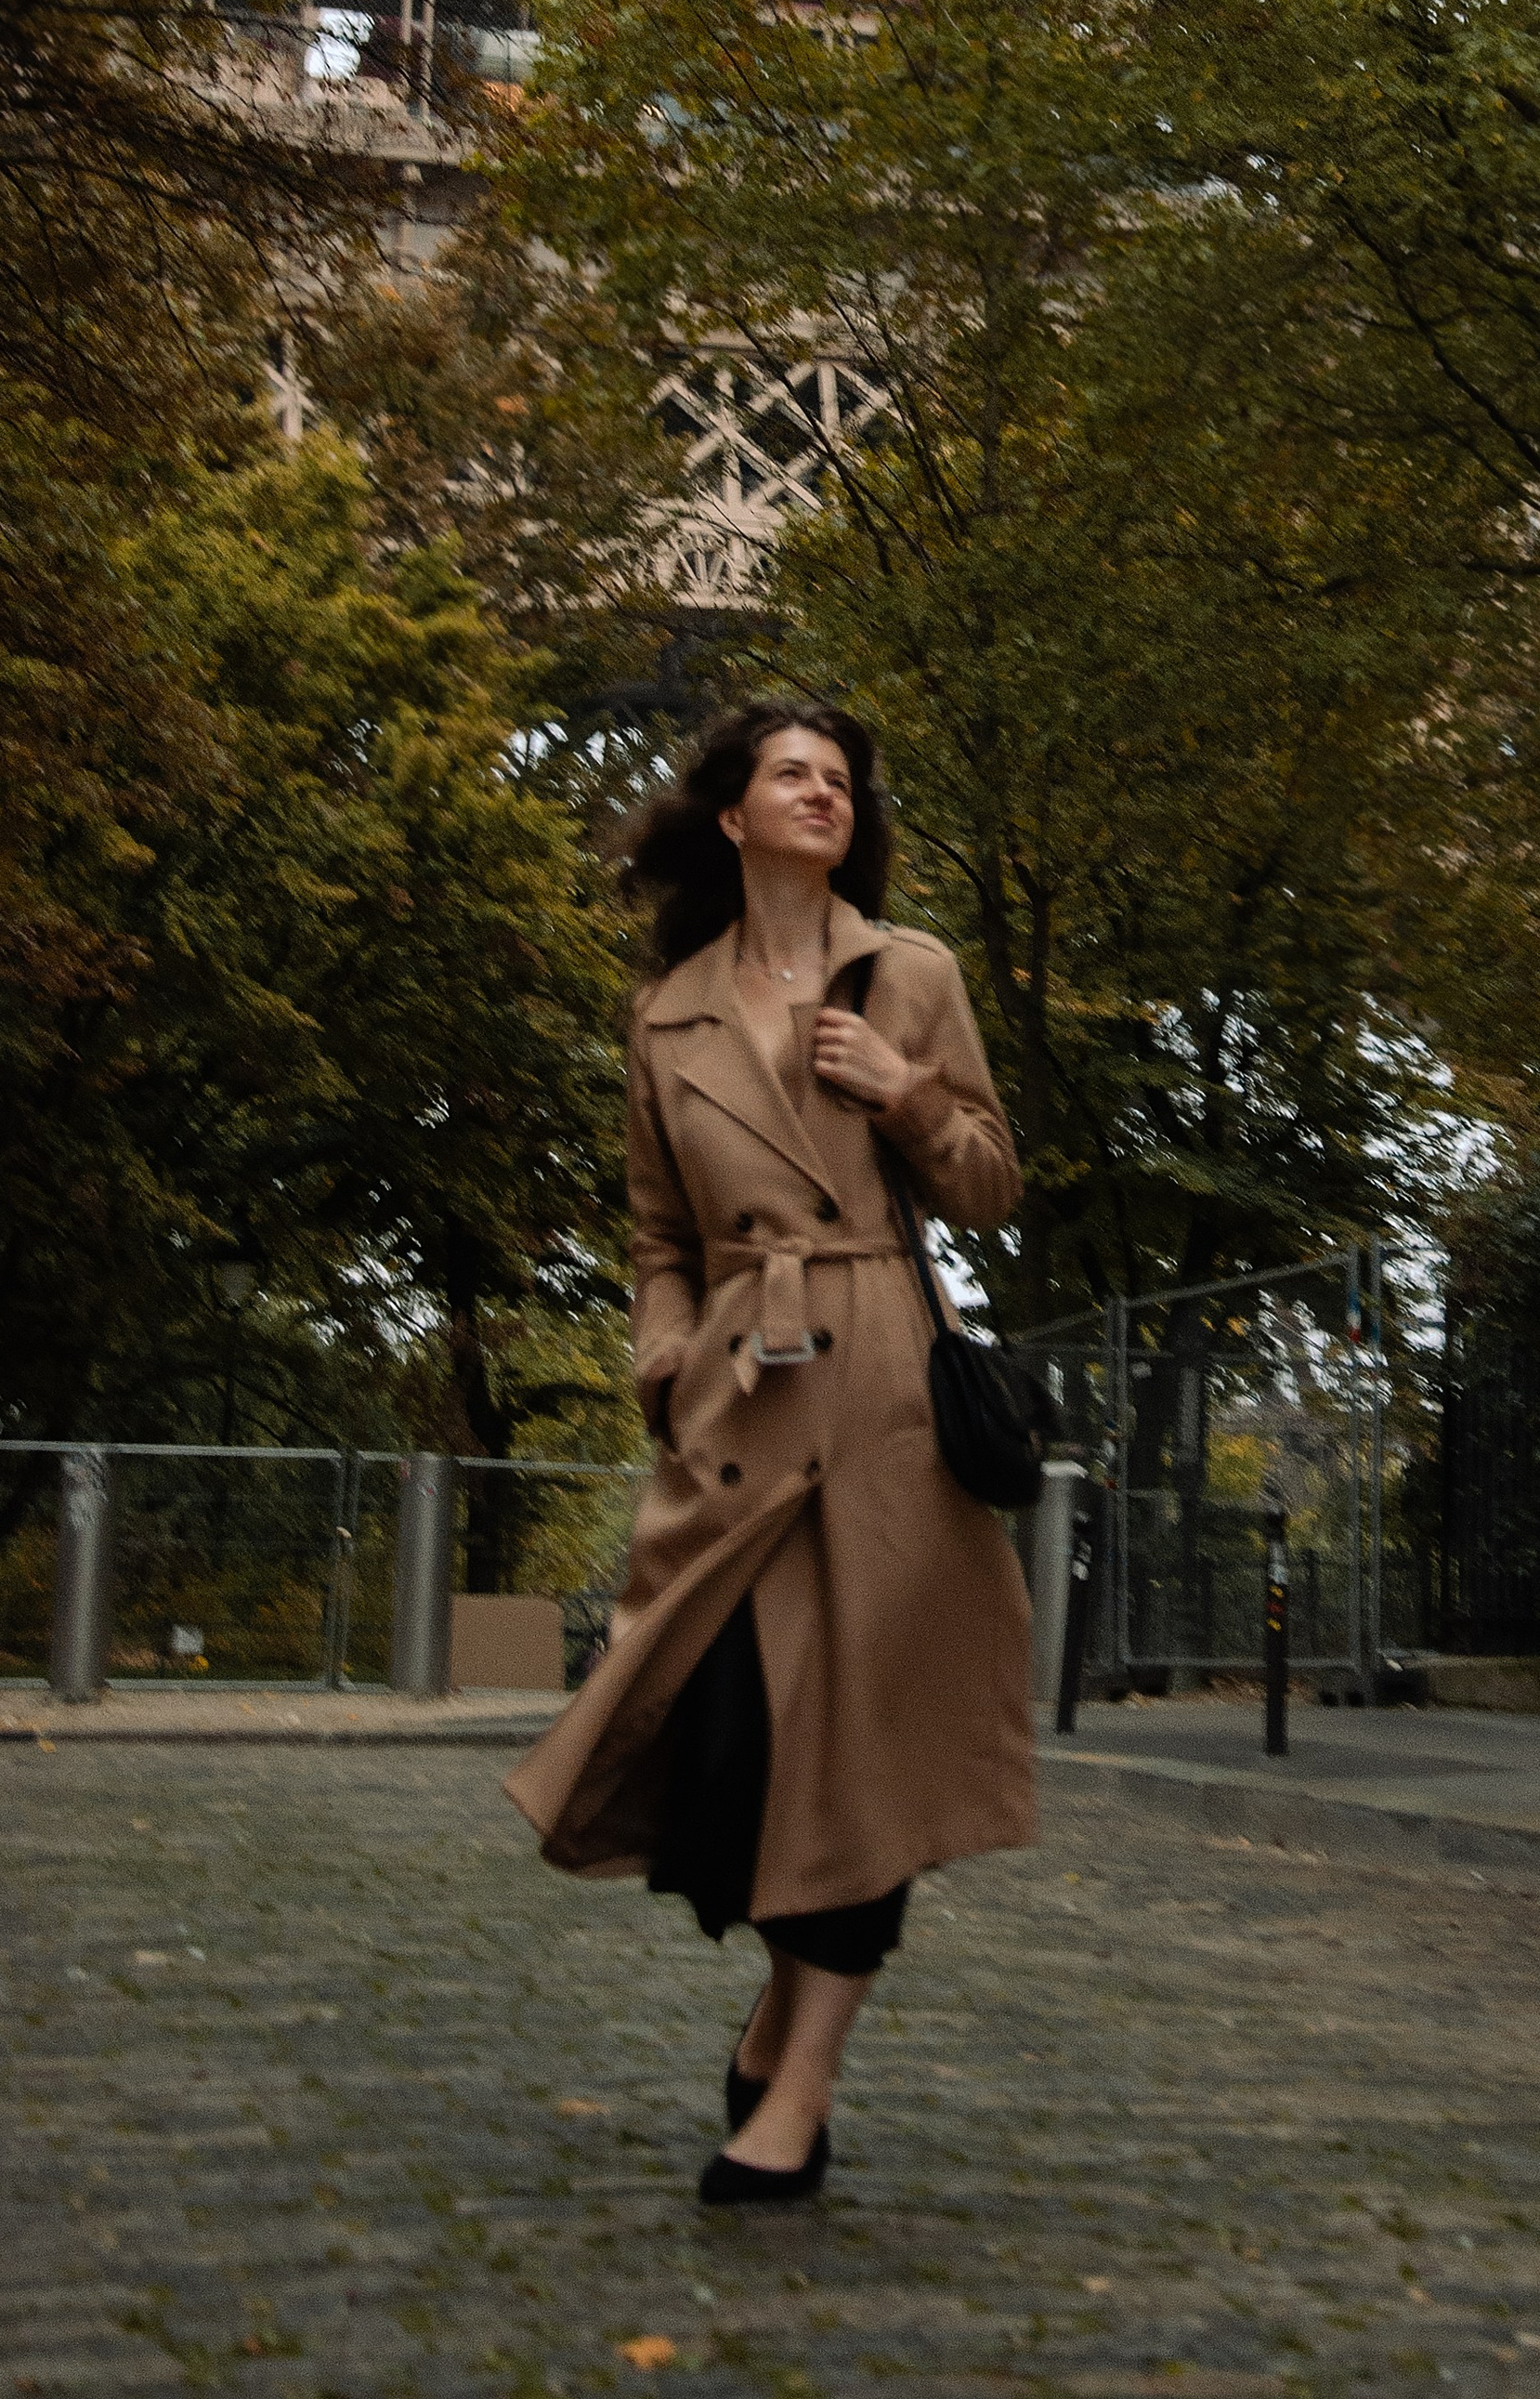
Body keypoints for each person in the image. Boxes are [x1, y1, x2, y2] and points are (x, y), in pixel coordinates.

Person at [504, 702, 1037, 2204]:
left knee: (866, 1754)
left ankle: (795, 2098)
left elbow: (991, 1186)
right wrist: (662, 1351)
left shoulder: (910, 975)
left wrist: (910, 1092)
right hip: (741, 1402)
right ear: (731, 817)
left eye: (841, 779)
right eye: (791, 774)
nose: (825, 792)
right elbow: (657, 1237)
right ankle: (780, 2014)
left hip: (882, 1406)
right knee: (735, 1747)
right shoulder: (666, 1015)